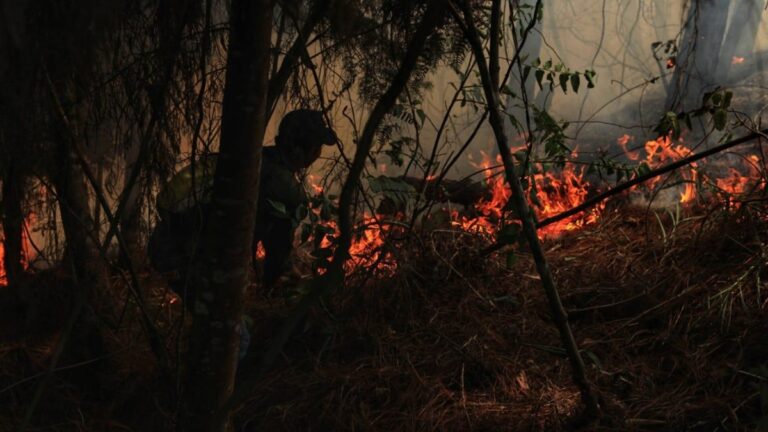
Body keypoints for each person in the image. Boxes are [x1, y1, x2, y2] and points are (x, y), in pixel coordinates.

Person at [148, 109, 335, 359]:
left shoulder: (252, 157)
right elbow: (277, 262)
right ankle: (212, 394)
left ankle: (196, 371)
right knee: (236, 335)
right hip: (188, 258)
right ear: (304, 150)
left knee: (212, 321)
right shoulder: (285, 188)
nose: (317, 154)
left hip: (166, 247)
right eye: (316, 147)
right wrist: (295, 287)